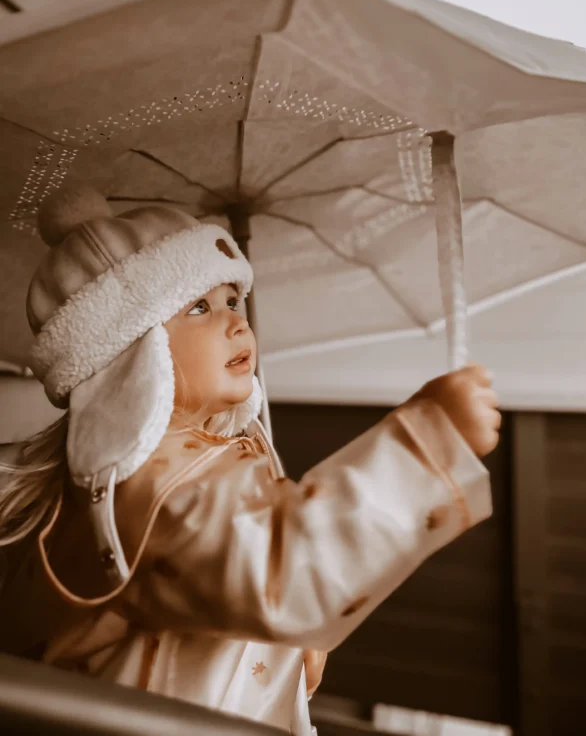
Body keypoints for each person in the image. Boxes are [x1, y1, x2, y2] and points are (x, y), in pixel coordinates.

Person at [0, 187, 500, 735]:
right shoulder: (152, 484)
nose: (238, 325)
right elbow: (290, 572)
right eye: (199, 307)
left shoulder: (202, 458)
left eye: (234, 301)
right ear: (129, 353)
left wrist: (289, 651)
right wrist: (427, 441)